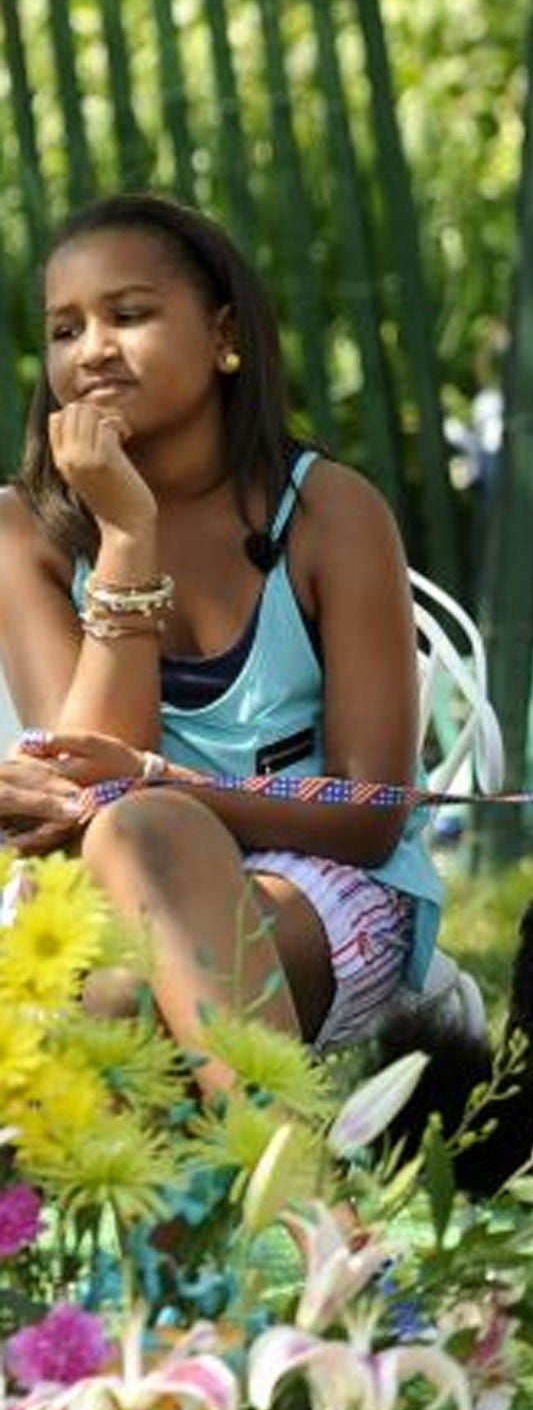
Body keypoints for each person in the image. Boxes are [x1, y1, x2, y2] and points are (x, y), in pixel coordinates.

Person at [0, 192, 444, 1101]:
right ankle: (300, 1217)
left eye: (128, 315)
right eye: (64, 328)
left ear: (224, 333)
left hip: (316, 879)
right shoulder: (25, 533)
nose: (91, 351)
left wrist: (174, 793)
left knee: (136, 967)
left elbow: (369, 816)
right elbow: (84, 792)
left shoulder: (329, 513)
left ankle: (288, 1196)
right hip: (105, 885)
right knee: (118, 982)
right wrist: (126, 537)